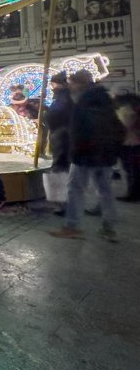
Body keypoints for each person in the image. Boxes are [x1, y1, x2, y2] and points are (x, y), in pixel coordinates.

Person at [50, 70, 125, 242]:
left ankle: (72, 226)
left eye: (73, 83)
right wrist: (113, 148)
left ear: (80, 84)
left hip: (85, 155)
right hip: (106, 154)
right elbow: (118, 127)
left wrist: (75, 150)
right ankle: (109, 228)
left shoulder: (82, 102)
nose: (70, 86)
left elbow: (78, 130)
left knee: (75, 189)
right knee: (105, 190)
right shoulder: (106, 101)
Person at [45, 72, 73, 216]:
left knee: (59, 168)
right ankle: (63, 202)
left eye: (53, 84)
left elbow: (55, 114)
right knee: (63, 168)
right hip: (63, 135)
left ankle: (60, 204)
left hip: (62, 136)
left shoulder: (63, 97)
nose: (51, 87)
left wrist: (45, 115)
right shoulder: (65, 96)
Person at [114, 93, 140, 202]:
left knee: (131, 170)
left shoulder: (126, 111)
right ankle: (134, 193)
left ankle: (133, 194)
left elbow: (125, 126)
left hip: (129, 143)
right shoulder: (134, 111)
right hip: (134, 143)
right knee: (134, 170)